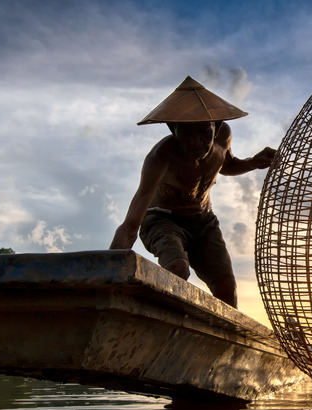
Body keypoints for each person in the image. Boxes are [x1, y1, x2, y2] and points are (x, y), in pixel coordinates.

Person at [109, 76, 275, 308]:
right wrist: (108, 271)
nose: (196, 142)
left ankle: (223, 340)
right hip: (162, 218)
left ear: (216, 127)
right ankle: (166, 324)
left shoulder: (223, 136)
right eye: (186, 133)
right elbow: (132, 221)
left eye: (204, 132)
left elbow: (226, 165)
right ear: (173, 129)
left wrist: (253, 162)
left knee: (226, 285)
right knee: (177, 268)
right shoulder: (160, 157)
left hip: (203, 221)